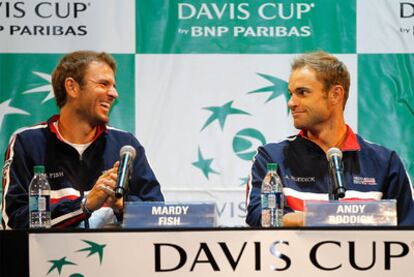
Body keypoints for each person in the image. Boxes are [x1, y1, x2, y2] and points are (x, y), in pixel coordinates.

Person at [246, 51, 414, 227]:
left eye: (302, 92)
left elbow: (407, 228)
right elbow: (260, 215)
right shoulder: (272, 157)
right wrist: (324, 218)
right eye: (291, 94)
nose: (291, 103)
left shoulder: (384, 162)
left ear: (335, 94)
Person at [1, 50, 164, 229]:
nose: (114, 93)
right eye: (103, 84)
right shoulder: (28, 143)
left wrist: (123, 206)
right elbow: (13, 221)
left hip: (114, 256)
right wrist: (83, 206)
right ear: (72, 87)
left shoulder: (126, 145)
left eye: (114, 86)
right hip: (49, 257)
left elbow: (157, 215)